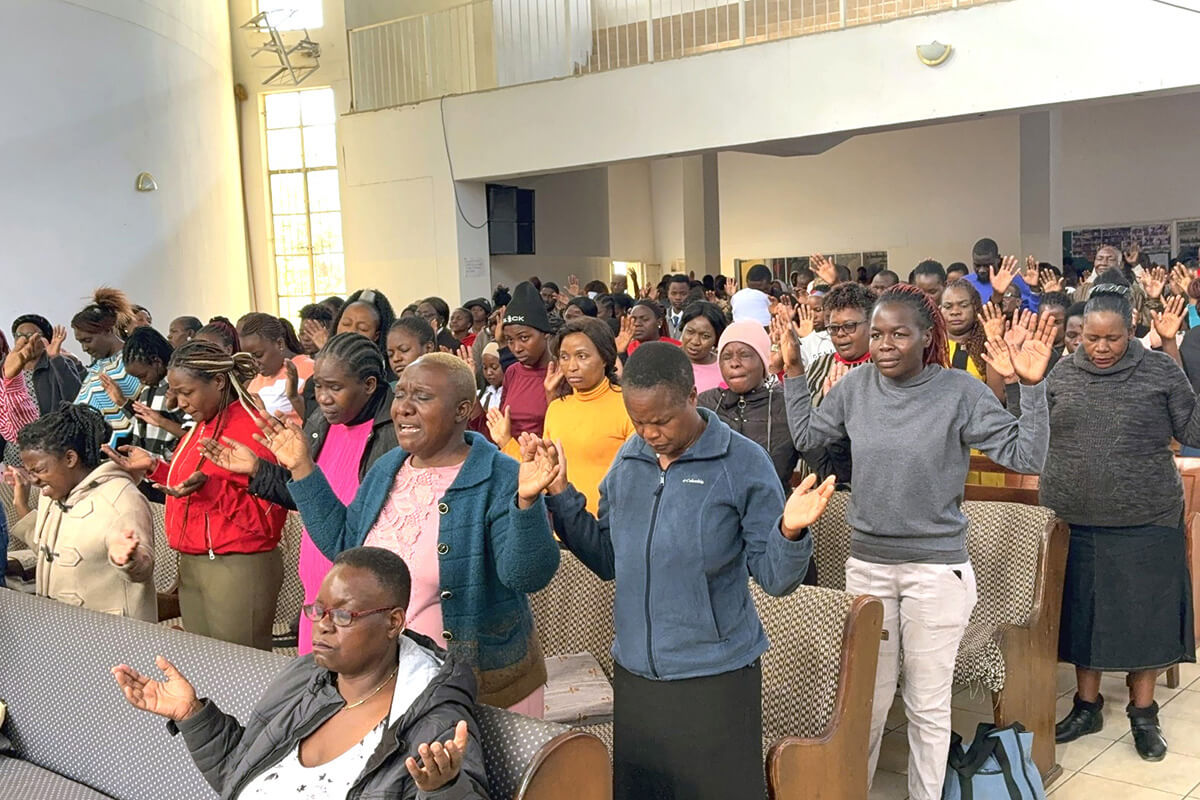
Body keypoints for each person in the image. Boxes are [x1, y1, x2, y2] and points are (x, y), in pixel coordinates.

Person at [782, 283, 1054, 800]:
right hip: (867, 566)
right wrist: (794, 373)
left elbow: (1027, 457)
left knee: (927, 705)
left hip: (935, 571)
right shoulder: (856, 386)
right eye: (878, 333)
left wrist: (1032, 388)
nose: (885, 344)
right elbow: (809, 439)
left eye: (899, 334)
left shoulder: (959, 392)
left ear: (927, 337)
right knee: (867, 700)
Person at [538, 341, 834, 800]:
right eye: (639, 422)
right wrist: (561, 496)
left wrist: (790, 531)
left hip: (715, 676)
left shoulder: (741, 463)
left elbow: (777, 579)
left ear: (692, 397)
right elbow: (607, 558)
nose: (650, 433)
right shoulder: (630, 460)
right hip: (637, 672)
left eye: (662, 420)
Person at [263, 353, 560, 713]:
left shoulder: (499, 474)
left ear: (462, 409)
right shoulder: (389, 467)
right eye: (400, 394)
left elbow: (526, 575)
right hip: (398, 685)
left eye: (421, 397)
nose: (403, 407)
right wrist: (302, 467)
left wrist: (527, 501)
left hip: (483, 690)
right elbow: (346, 545)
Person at [112, 547, 487, 800]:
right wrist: (192, 715)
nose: (322, 626)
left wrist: (443, 790)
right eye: (317, 610)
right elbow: (237, 776)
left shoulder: (434, 720)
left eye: (343, 615)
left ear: (393, 622)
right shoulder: (305, 679)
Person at [1045, 282, 1199, 762]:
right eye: (1091, 338)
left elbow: (1192, 429)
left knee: (1144, 620)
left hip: (1146, 519)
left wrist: (1173, 348)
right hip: (1075, 518)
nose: (1101, 348)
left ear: (1131, 329)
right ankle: (1086, 705)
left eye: (1112, 338)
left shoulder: (1157, 370)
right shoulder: (1061, 373)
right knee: (1084, 616)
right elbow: (1029, 433)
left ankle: (1143, 712)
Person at [201, 333, 398, 657]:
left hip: (359, 606)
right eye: (318, 386)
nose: (323, 398)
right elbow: (308, 497)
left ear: (370, 385)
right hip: (316, 595)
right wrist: (258, 471)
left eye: (335, 387)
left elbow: (366, 528)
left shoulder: (391, 437)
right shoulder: (321, 422)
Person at [104, 341, 288, 650]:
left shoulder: (254, 427)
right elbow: (193, 485)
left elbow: (269, 520)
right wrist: (154, 467)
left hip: (237, 566)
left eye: (187, 393)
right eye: (175, 393)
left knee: (239, 669)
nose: (179, 403)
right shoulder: (203, 425)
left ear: (217, 382)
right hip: (194, 562)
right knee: (205, 664)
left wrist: (212, 492)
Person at [14, 404, 155, 620]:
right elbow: (50, 551)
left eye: (40, 470)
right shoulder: (51, 496)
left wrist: (129, 559)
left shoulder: (121, 499)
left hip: (111, 635)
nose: (33, 479)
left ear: (70, 459)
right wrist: (21, 506)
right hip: (65, 626)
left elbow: (143, 568)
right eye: (29, 471)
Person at [495, 317, 633, 515]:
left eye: (582, 356)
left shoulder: (627, 405)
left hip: (610, 527)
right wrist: (507, 442)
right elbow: (545, 473)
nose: (572, 366)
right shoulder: (557, 408)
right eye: (564, 357)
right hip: (561, 527)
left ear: (605, 358)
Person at [697, 321, 797, 490]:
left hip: (773, 509)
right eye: (726, 356)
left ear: (763, 360)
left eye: (744, 355)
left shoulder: (787, 404)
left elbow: (829, 466)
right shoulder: (705, 403)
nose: (734, 363)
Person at [798, 282, 878, 485]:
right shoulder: (818, 365)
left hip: (865, 483)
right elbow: (802, 421)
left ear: (871, 324)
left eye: (849, 326)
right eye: (833, 328)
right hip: (816, 482)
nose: (840, 334)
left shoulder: (882, 369)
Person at [103, 327, 186, 491]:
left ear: (156, 361)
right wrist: (121, 402)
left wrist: (162, 421)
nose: (142, 381)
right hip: (146, 475)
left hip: (169, 474)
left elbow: (191, 433)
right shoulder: (148, 388)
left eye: (142, 376)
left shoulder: (177, 388)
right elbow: (143, 421)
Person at [71, 288, 142, 448]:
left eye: (88, 340)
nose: (84, 348)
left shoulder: (133, 361)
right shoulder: (98, 366)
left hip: (128, 450)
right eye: (80, 342)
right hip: (100, 453)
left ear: (108, 330)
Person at [493, 282, 555, 440]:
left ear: (545, 334)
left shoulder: (561, 374)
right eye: (510, 340)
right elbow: (501, 425)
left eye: (524, 338)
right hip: (510, 459)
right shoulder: (512, 372)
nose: (516, 348)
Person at [241, 313, 315, 425]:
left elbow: (317, 423)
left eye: (259, 355)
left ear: (279, 344)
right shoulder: (256, 381)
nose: (254, 363)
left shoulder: (311, 369)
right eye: (249, 357)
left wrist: (294, 398)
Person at [9, 315, 84, 415]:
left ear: (45, 340)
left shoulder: (59, 363)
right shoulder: (7, 368)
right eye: (19, 335)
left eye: (31, 335)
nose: (25, 341)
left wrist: (56, 359)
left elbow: (76, 398)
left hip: (51, 428)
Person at [333, 289, 397, 376]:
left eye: (363, 328)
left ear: (376, 336)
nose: (351, 331)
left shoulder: (386, 376)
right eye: (346, 324)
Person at [965, 238, 1040, 311]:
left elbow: (1034, 313)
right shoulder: (965, 283)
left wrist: (1034, 289)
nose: (982, 270)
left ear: (997, 259)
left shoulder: (1016, 281)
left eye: (987, 266)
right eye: (977, 265)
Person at [679, 302, 727, 394]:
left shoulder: (725, 368)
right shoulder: (666, 360)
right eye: (690, 332)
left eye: (705, 336)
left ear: (716, 339)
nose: (695, 341)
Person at [477, 342, 504, 414]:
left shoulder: (511, 394)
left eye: (494, 367)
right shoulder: (482, 394)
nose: (489, 372)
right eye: (485, 368)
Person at [665, 274, 691, 339]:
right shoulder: (662, 317)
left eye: (683, 294)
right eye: (674, 293)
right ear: (668, 294)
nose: (678, 297)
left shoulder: (693, 318)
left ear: (689, 294)